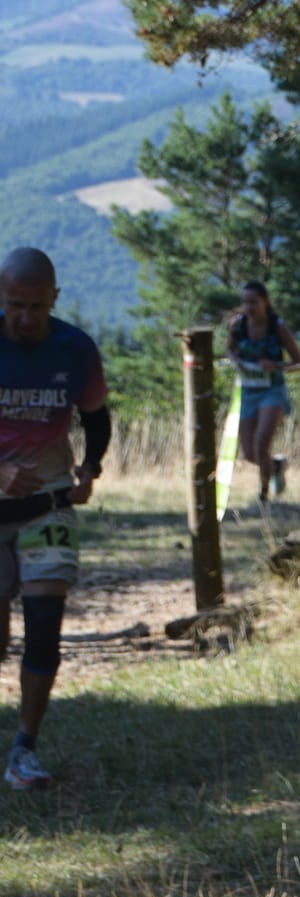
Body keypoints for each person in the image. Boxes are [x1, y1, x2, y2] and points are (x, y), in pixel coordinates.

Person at [0, 248, 111, 791]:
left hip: (48, 503)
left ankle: (25, 749)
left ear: (54, 300)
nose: (25, 317)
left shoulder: (75, 348)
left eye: (37, 306)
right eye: (16, 305)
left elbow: (96, 417)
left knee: (44, 625)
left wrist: (90, 466)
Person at [226, 280, 300, 502]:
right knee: (249, 453)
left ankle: (263, 494)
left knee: (261, 445)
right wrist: (235, 360)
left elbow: (299, 362)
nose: (249, 307)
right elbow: (229, 349)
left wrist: (276, 366)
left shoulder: (277, 327)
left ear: (265, 302)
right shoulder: (237, 325)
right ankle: (276, 466)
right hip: (248, 391)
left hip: (272, 391)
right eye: (245, 302)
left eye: (253, 302)